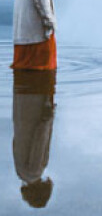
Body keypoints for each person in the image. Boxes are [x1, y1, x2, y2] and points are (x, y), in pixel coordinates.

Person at [13, 69, 56, 208]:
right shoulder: (20, 172)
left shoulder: (35, 171)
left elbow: (40, 140)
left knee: (39, 73)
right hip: (21, 106)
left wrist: (48, 118)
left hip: (35, 109)